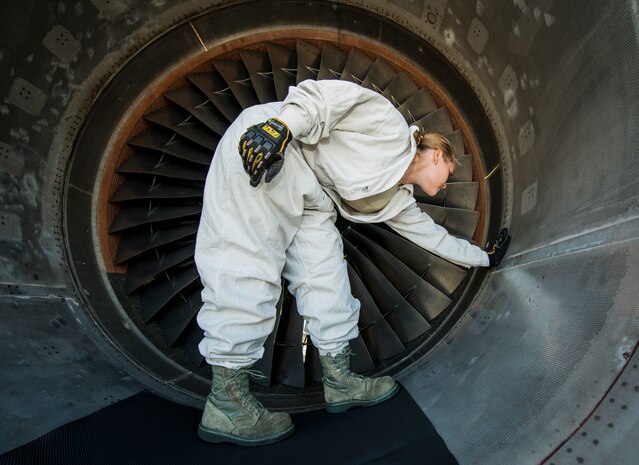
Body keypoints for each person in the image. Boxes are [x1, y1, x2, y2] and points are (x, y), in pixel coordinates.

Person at [194, 79, 511, 446]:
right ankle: (227, 404)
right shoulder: (389, 125)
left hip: (314, 198)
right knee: (248, 265)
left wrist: (483, 257)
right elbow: (325, 98)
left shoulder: (399, 200)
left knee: (326, 280)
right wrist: (279, 128)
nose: (445, 185)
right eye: (449, 174)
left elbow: (435, 238)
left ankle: (340, 382)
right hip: (272, 151)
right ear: (438, 156)